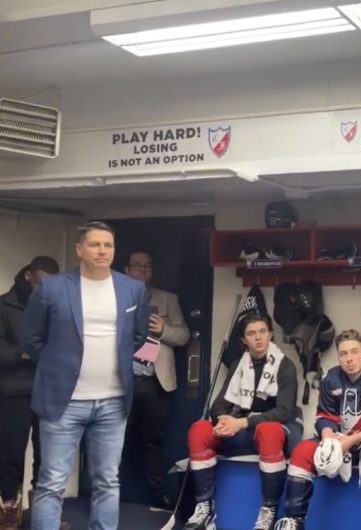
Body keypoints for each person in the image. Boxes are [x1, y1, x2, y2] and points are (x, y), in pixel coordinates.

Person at [21, 221, 150, 530]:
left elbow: (138, 336)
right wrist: (56, 366)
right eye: (94, 244)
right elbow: (31, 338)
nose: (102, 250)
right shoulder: (53, 287)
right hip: (63, 401)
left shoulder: (132, 288)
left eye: (108, 245)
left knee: (108, 480)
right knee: (52, 482)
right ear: (79, 249)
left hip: (112, 401)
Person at [275, 329, 361, 530]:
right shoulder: (331, 378)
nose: (349, 359)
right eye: (343, 354)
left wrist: (352, 440)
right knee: (302, 451)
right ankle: (294, 521)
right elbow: (324, 416)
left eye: (354, 352)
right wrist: (328, 437)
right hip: (340, 443)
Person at [184, 313, 302, 530]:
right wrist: (224, 422)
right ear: (244, 340)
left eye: (262, 332)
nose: (258, 338)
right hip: (245, 430)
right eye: (251, 333)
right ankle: (204, 508)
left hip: (279, 431)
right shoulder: (240, 365)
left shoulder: (285, 366)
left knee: (268, 430)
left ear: (271, 334)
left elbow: (284, 411)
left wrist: (242, 423)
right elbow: (218, 406)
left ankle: (269, 509)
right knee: (199, 429)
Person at [124, 250, 190, 511]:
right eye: (137, 266)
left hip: (155, 382)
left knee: (155, 441)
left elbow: (183, 336)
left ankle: (160, 496)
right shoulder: (114, 299)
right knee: (111, 440)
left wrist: (164, 330)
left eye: (147, 266)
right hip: (121, 383)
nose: (142, 270)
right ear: (127, 270)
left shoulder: (168, 300)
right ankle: (105, 494)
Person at [0, 257, 61, 530]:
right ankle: (9, 514)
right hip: (14, 390)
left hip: (47, 388)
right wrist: (25, 352)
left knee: (48, 455)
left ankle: (43, 518)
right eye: (41, 284)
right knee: (11, 454)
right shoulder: (4, 305)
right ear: (28, 276)